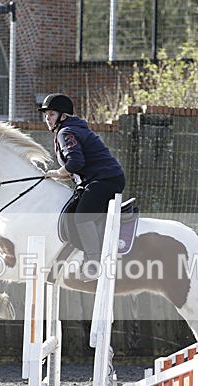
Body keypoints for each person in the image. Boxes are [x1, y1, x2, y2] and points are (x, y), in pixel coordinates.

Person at [39, 93, 126, 282]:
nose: (47, 118)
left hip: (105, 180)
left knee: (81, 217)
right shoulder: (71, 129)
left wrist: (55, 173)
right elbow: (75, 169)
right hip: (101, 178)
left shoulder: (65, 132)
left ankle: (93, 265)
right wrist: (59, 176)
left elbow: (76, 162)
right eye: (46, 115)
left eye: (51, 114)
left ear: (63, 116)